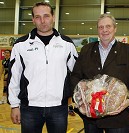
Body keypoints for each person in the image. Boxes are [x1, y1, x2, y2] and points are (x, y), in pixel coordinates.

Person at [7, 2, 78, 133]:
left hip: (58, 107)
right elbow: (14, 77)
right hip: (29, 108)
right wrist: (14, 105)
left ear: (53, 17)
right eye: (38, 17)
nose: (42, 21)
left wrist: (80, 98)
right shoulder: (21, 45)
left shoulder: (67, 44)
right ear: (33, 20)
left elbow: (77, 74)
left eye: (46, 16)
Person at [71, 13, 129, 133]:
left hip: (118, 117)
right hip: (91, 117)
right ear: (97, 30)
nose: (104, 30)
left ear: (115, 28)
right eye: (101, 27)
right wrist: (80, 99)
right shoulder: (86, 50)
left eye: (108, 26)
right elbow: (75, 77)